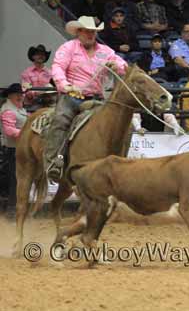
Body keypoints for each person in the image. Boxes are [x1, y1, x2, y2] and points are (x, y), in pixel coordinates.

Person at [44, 16, 128, 181]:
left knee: (124, 124)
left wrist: (116, 66)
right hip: (72, 97)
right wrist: (65, 85)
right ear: (79, 32)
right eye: (88, 32)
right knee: (61, 120)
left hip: (97, 99)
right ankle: (54, 161)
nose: (91, 35)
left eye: (93, 32)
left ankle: (121, 162)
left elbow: (124, 66)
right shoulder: (68, 48)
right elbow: (58, 67)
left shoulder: (106, 51)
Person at [0, 84, 27, 217]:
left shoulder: (18, 108)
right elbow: (9, 131)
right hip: (12, 149)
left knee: (17, 178)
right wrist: (27, 133)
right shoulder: (8, 110)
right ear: (10, 95)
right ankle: (11, 209)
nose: (20, 95)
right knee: (14, 179)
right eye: (17, 93)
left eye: (21, 93)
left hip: (18, 148)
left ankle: (13, 207)